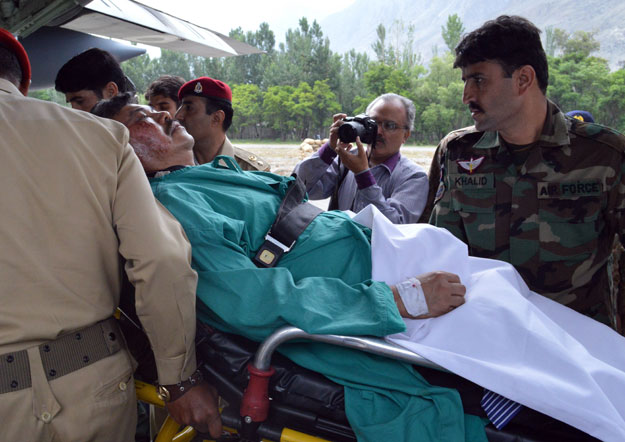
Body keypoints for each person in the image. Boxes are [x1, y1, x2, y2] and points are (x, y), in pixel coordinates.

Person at [92, 93, 625, 442]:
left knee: (543, 328)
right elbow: (249, 299)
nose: (164, 114)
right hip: (374, 280)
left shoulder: (214, 175)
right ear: (117, 153)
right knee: (531, 344)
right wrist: (398, 300)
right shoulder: (173, 203)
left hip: (386, 251)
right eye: (140, 119)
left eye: (157, 109)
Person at [0, 30, 221, 441]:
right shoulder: (99, 136)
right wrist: (179, 378)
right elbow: (162, 260)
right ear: (22, 85)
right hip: (90, 388)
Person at [423, 15, 625, 334]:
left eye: (478, 80)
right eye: (465, 81)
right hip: (485, 338)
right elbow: (439, 253)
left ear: (523, 79)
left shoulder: (606, 155)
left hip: (578, 350)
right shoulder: (458, 152)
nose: (466, 96)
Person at [294, 93, 428, 223]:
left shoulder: (413, 177)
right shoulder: (347, 158)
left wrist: (363, 176)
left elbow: (395, 225)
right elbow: (300, 189)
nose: (379, 132)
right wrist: (329, 149)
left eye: (390, 126)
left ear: (406, 135)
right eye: (373, 123)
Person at [175, 76, 270, 171]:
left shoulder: (251, 171)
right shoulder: (169, 165)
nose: (178, 115)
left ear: (217, 118)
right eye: (180, 107)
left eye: (189, 108)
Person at [55, 47, 136, 111]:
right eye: (71, 104)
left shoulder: (139, 129)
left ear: (110, 92)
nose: (74, 111)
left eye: (80, 101)